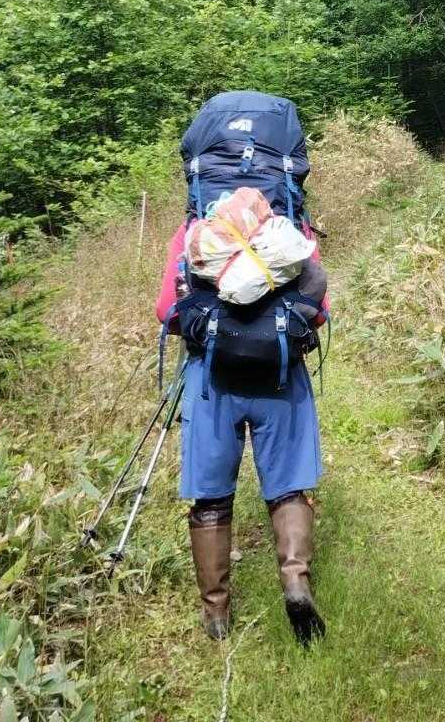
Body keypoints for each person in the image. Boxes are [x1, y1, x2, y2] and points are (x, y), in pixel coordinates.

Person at [154, 92, 329, 647]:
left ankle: (216, 615)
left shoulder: (196, 233)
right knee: (288, 484)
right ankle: (295, 582)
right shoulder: (290, 231)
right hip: (280, 373)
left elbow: (166, 311)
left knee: (211, 494)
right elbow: (319, 309)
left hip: (211, 377)